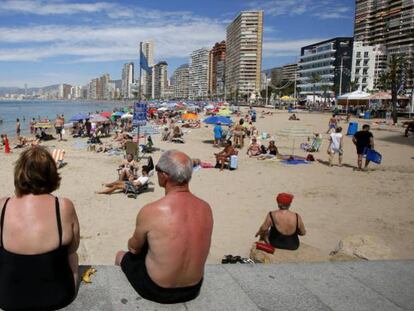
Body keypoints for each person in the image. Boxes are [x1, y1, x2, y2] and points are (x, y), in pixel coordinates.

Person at [115, 151, 213, 304]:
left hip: (157, 289)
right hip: (193, 288)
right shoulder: (206, 208)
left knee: (121, 256)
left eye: (158, 170)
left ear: (164, 176)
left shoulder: (152, 211)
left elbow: (134, 249)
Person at [0, 147, 79, 310]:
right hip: (58, 296)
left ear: (19, 173)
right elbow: (73, 247)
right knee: (73, 256)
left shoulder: (2, 205)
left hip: (7, 298)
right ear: (51, 174)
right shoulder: (63, 206)